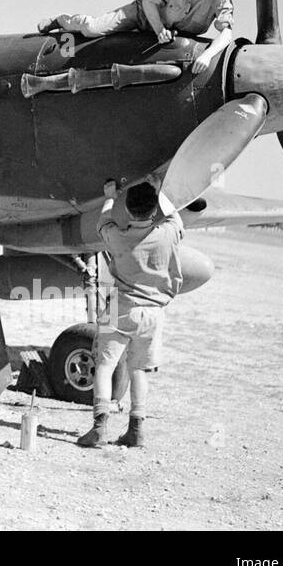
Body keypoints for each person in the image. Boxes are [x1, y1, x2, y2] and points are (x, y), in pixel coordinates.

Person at [77, 179, 184, 449]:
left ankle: (99, 429)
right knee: (139, 371)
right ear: (152, 210)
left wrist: (110, 197)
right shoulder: (169, 232)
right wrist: (160, 189)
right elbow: (174, 215)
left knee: (104, 366)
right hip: (153, 313)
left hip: (121, 307)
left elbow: (102, 222)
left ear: (129, 209)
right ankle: (136, 430)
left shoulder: (117, 235)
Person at [38, 0, 234, 74]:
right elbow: (149, 2)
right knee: (91, 29)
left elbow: (226, 33)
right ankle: (61, 21)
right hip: (143, 15)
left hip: (173, 38)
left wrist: (207, 56)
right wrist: (159, 29)